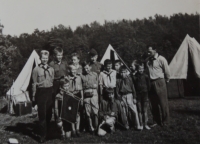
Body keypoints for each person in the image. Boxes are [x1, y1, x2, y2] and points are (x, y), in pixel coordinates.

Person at [32, 50, 54, 143]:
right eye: (43, 58)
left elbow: (52, 80)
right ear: (40, 58)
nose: (45, 60)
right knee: (42, 115)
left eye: (46, 58)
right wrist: (34, 96)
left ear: (48, 58)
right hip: (41, 92)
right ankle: (42, 135)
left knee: (49, 114)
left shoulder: (51, 69)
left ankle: (48, 132)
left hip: (49, 92)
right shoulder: (36, 69)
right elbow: (34, 83)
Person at [146, 45, 170, 127]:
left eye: (150, 51)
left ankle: (165, 121)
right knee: (153, 103)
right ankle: (156, 121)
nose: (148, 52)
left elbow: (167, 70)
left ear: (155, 50)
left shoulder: (161, 59)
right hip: (151, 82)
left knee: (163, 102)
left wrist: (166, 80)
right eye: (148, 51)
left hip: (160, 81)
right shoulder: (148, 61)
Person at [116, 65, 142, 130]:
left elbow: (133, 89)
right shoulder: (118, 80)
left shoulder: (129, 79)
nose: (123, 74)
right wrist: (120, 100)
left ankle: (137, 125)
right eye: (121, 72)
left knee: (134, 111)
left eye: (124, 72)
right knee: (125, 111)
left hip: (130, 95)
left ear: (126, 72)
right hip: (123, 96)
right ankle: (127, 125)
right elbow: (117, 91)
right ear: (119, 72)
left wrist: (134, 98)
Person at [49, 47, 68, 120]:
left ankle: (65, 119)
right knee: (56, 103)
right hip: (55, 85)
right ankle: (57, 120)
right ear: (54, 55)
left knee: (64, 101)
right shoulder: (51, 64)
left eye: (61, 55)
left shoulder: (65, 63)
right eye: (58, 55)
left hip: (64, 85)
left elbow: (67, 73)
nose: (60, 57)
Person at [80, 61, 99, 135]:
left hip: (94, 93)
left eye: (87, 68)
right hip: (86, 95)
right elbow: (81, 88)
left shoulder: (95, 74)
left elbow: (97, 86)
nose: (86, 70)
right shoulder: (82, 76)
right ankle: (91, 128)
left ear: (90, 67)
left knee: (95, 112)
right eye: (85, 69)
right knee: (88, 113)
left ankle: (96, 127)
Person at [65, 64, 83, 137]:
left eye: (75, 70)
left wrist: (82, 98)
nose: (74, 71)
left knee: (78, 113)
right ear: (69, 70)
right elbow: (65, 89)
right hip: (70, 96)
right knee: (72, 114)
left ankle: (77, 129)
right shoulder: (67, 78)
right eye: (72, 70)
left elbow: (81, 88)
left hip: (77, 95)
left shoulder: (78, 78)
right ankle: (73, 130)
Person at [133, 62, 151, 130]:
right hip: (138, 95)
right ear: (137, 69)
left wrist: (147, 92)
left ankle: (145, 124)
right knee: (139, 110)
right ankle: (141, 124)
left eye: (142, 68)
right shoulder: (135, 77)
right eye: (139, 69)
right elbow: (134, 86)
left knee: (145, 110)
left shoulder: (146, 76)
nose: (141, 70)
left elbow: (149, 86)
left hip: (145, 94)